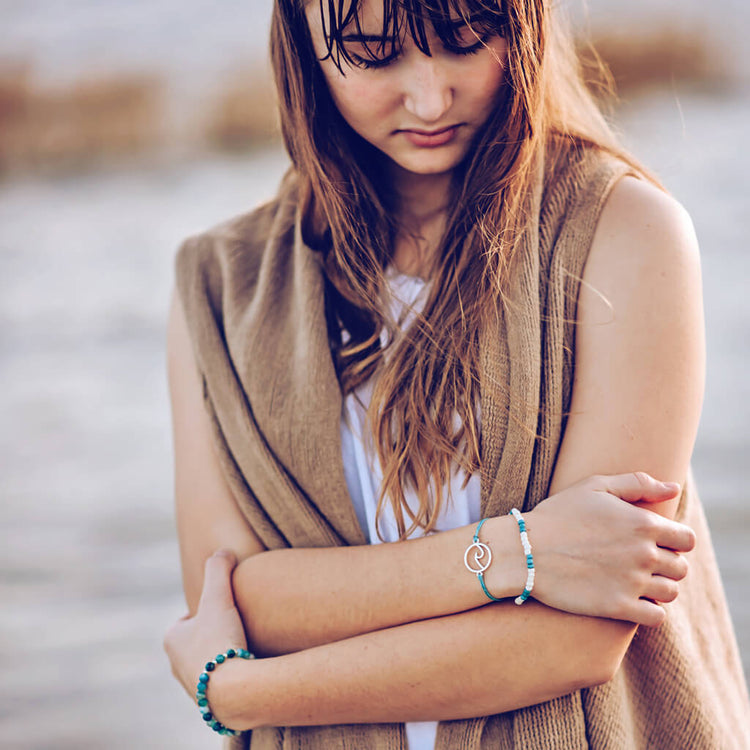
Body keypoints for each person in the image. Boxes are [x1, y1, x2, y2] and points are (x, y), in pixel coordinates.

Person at [163, 0, 750, 747]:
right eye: (374, 54)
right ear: (299, 45)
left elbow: (577, 642)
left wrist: (244, 693)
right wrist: (523, 552)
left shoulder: (626, 233)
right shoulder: (219, 289)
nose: (431, 96)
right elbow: (233, 599)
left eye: (466, 39)